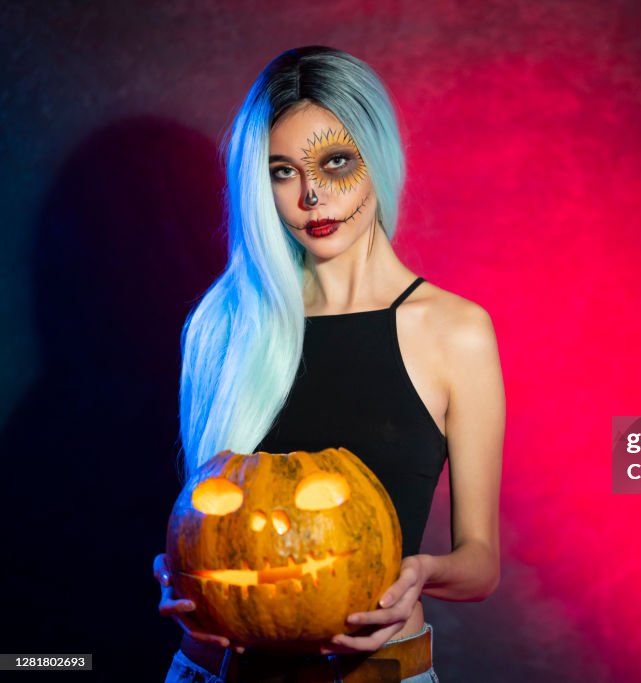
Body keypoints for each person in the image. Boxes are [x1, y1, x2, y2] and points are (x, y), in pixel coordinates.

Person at [153, 46, 504, 683]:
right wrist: (175, 569)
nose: (313, 194)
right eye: (282, 171)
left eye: (335, 161)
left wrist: (419, 571)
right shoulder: (224, 324)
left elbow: (480, 564)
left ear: (377, 156)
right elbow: (204, 525)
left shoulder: (456, 331)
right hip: (217, 672)